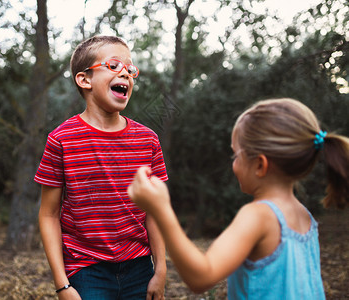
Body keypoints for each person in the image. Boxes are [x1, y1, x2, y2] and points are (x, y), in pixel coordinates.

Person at [128, 98, 349, 299]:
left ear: (260, 165)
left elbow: (201, 277)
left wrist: (160, 210)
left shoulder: (259, 216)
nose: (233, 163)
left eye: (236, 155)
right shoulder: (304, 215)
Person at [35, 35, 168, 300]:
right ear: (85, 80)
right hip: (86, 270)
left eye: (131, 69)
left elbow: (154, 210)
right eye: (115, 65)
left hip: (140, 267)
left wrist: (161, 269)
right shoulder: (61, 139)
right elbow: (49, 215)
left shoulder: (148, 140)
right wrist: (62, 285)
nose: (127, 74)